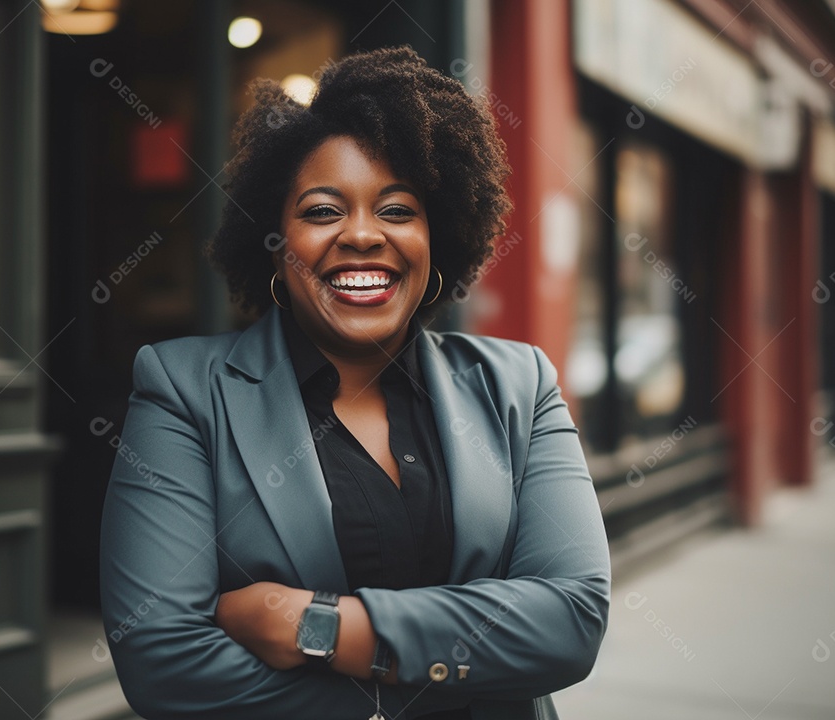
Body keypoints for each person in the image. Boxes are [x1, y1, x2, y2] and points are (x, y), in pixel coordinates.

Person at [99, 45, 609, 720]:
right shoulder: (184, 391)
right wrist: (459, 685)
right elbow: (164, 662)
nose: (363, 234)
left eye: (398, 210)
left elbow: (570, 620)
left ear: (439, 240)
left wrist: (313, 625)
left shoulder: (519, 385)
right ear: (275, 243)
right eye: (321, 211)